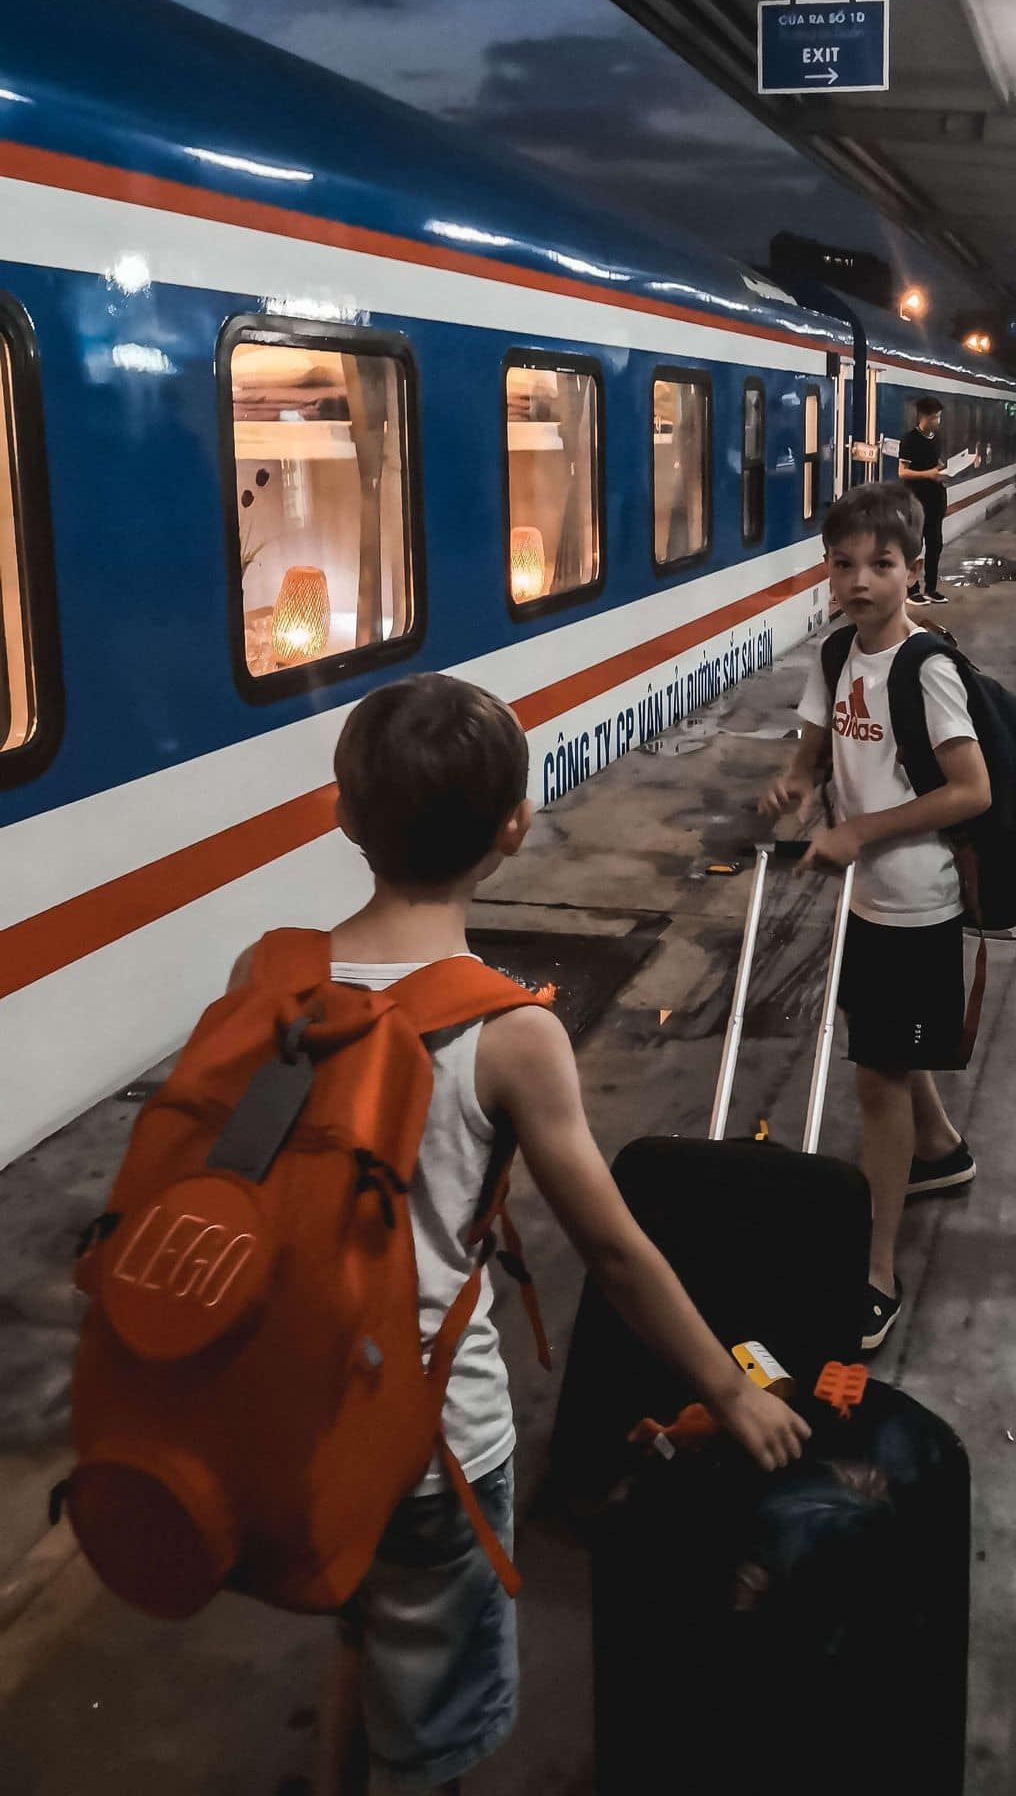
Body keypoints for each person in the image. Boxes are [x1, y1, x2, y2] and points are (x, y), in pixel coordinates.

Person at [228, 674, 809, 1796]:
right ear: (516, 826)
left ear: (345, 813)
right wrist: (731, 1387)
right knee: (435, 1727)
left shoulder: (272, 973)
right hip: (431, 1434)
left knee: (357, 1620)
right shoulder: (509, 1028)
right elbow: (616, 1250)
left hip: (294, 1402)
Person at [758, 483, 991, 1353]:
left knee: (876, 1080)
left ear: (913, 571)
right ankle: (942, 1150)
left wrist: (859, 830)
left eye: (880, 565)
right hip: (869, 904)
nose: (859, 581)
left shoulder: (924, 670)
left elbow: (970, 789)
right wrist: (796, 783)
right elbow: (814, 753)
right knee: (883, 1046)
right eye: (843, 563)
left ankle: (876, 1272)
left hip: (919, 905)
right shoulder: (834, 657)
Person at [898, 394, 950, 605]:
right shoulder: (909, 439)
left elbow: (934, 462)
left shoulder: (935, 439)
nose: (938, 421)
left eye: (939, 417)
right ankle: (912, 589)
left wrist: (944, 470)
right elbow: (902, 472)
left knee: (935, 544)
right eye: (935, 417)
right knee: (915, 545)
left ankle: (931, 588)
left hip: (936, 499)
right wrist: (928, 474)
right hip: (916, 500)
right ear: (924, 417)